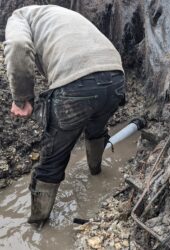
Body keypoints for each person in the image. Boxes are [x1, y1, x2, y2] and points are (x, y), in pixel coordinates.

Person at [4, 5, 125, 228]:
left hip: (75, 84)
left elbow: (18, 45)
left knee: (52, 159)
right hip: (116, 77)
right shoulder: (58, 14)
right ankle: (95, 172)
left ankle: (38, 225)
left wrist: (22, 98)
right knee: (96, 129)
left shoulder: (18, 16)